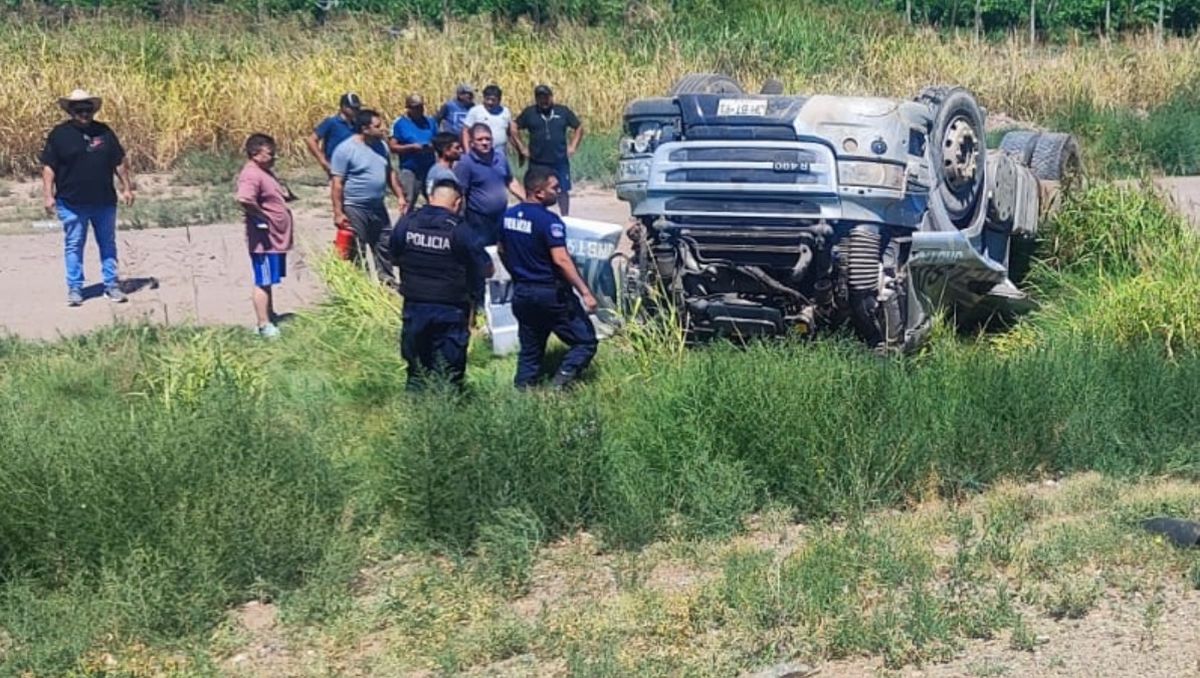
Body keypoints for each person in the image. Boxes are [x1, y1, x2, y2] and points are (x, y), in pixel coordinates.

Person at [498, 166, 598, 389]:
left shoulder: (507, 217)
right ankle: (559, 385)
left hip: (523, 293)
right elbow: (561, 259)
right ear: (539, 192)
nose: (558, 191)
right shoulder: (549, 221)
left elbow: (502, 250)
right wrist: (585, 292)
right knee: (585, 342)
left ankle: (523, 393)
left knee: (530, 351)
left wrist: (517, 274)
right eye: (554, 187)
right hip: (550, 295)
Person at [389, 180, 494, 390]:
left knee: (417, 369)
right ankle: (448, 413)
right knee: (449, 372)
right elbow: (486, 268)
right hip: (450, 310)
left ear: (431, 198)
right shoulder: (461, 230)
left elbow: (394, 257)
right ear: (457, 203)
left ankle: (414, 411)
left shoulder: (407, 223)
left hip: (414, 306)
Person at [40, 88, 135, 306]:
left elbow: (118, 162)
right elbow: (49, 167)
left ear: (93, 110)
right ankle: (75, 288)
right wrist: (48, 195)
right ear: (71, 111)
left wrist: (127, 187)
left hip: (104, 201)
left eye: (87, 109)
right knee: (74, 244)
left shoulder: (104, 132)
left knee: (108, 244)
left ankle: (111, 285)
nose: (84, 113)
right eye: (79, 110)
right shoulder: (59, 135)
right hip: (71, 202)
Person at [330, 108, 407, 285]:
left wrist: (400, 196)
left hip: (377, 206)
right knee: (357, 249)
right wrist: (338, 212)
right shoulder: (345, 150)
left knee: (384, 244)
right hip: (355, 207)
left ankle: (387, 283)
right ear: (365, 129)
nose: (383, 129)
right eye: (378, 126)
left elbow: (390, 173)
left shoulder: (382, 146)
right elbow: (337, 183)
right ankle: (360, 286)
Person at [235, 133, 294, 339]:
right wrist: (262, 216)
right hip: (264, 240)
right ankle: (263, 324)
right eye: (269, 153)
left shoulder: (264, 171)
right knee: (263, 281)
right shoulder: (251, 174)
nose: (274, 157)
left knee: (269, 280)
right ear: (255, 153)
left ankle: (269, 314)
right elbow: (244, 198)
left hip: (274, 238)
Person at [513, 84, 584, 216]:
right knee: (536, 190)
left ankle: (565, 217)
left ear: (551, 97)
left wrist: (573, 146)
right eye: (540, 98)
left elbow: (578, 127)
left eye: (546, 97)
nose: (543, 101)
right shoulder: (530, 113)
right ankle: (537, 215)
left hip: (559, 159)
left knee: (562, 190)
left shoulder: (562, 111)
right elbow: (513, 126)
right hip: (537, 161)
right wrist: (521, 147)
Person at [454, 123, 525, 246]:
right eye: (480, 139)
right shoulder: (466, 163)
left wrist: (527, 200)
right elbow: (460, 192)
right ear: (471, 142)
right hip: (478, 218)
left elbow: (510, 181)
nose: (484, 142)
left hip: (501, 215)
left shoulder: (501, 157)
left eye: (488, 139)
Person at [389, 93, 438, 213]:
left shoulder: (430, 122)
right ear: (408, 108)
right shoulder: (400, 124)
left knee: (434, 198)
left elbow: (439, 140)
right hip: (409, 168)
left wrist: (433, 146)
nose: (419, 110)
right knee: (409, 200)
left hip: (428, 167)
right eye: (415, 107)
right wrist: (410, 147)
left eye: (421, 107)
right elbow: (393, 146)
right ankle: (404, 226)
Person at [307, 92, 362, 179]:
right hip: (336, 168)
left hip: (354, 167)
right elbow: (311, 140)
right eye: (353, 108)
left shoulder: (357, 124)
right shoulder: (332, 122)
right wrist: (323, 161)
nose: (357, 110)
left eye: (358, 108)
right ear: (344, 107)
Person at [461, 84, 516, 162]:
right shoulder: (475, 111)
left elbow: (509, 132)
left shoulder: (505, 111)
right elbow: (465, 131)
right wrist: (467, 151)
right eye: (487, 99)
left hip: (499, 151)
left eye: (493, 100)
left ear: (499, 100)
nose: (490, 102)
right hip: (479, 151)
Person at [425, 132, 463, 196]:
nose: (461, 150)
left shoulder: (434, 170)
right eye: (457, 148)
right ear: (446, 151)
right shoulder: (445, 175)